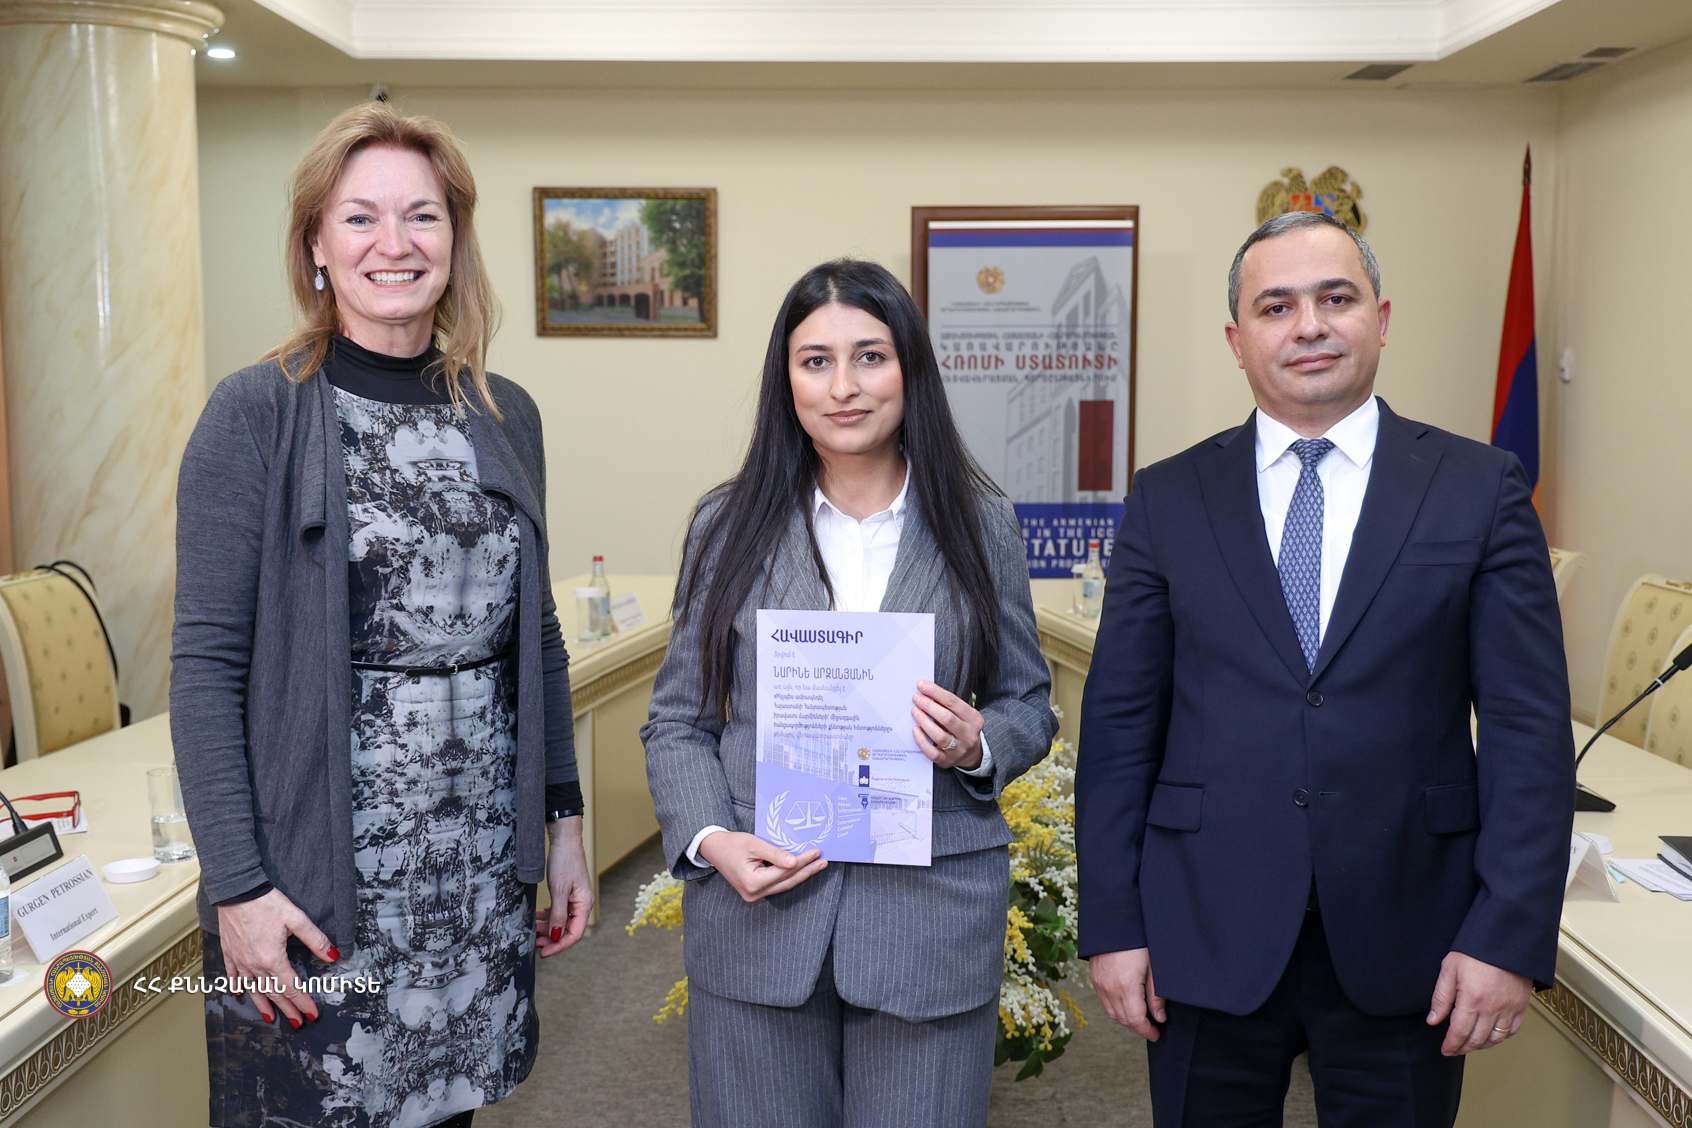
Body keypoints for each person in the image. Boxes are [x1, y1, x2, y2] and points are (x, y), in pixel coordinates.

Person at [1076, 210, 1575, 1127]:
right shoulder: (1168, 497)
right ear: (1238, 340)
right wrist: (1112, 924)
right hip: (1204, 928)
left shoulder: (1480, 487)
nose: (1308, 325)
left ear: (1380, 319)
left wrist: (1507, 935)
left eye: (1335, 298)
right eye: (1276, 306)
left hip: (1413, 934)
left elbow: (1527, 732)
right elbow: (1119, 731)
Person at [171, 101, 592, 1128]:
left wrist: (565, 824)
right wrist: (238, 889)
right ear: (316, 244)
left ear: (455, 239)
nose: (393, 244)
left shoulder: (505, 412)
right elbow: (205, 666)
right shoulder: (255, 412)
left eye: (422, 216)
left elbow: (533, 634)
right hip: (320, 876)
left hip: (475, 865)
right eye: (360, 218)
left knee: (450, 1110)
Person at [641, 258, 1058, 1127]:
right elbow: (678, 720)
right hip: (761, 913)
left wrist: (978, 743)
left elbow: (1029, 703)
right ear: (786, 379)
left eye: (870, 356)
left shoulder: (981, 524)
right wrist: (712, 839)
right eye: (816, 361)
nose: (844, 387)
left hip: (929, 920)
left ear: (910, 369)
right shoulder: (727, 525)